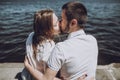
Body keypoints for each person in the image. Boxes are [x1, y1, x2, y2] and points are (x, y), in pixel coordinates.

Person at [24, 1, 98, 80]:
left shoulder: (60, 48)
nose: (60, 22)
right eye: (57, 23)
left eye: (62, 19)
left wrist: (28, 66)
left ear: (73, 23)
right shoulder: (93, 40)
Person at [21, 9, 60, 80]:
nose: (59, 24)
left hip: (27, 76)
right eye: (55, 24)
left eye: (58, 20)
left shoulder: (31, 35)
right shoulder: (49, 49)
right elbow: (46, 78)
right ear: (47, 31)